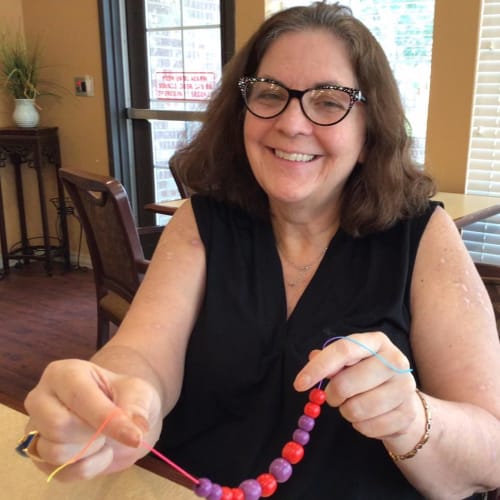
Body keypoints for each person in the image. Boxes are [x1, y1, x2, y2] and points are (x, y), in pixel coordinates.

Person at [18, 2, 500, 499]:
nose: (292, 123)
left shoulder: (424, 236)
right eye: (269, 94)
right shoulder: (199, 224)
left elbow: (492, 456)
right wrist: (116, 395)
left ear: (370, 126)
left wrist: (413, 417)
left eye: (329, 102)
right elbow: (142, 356)